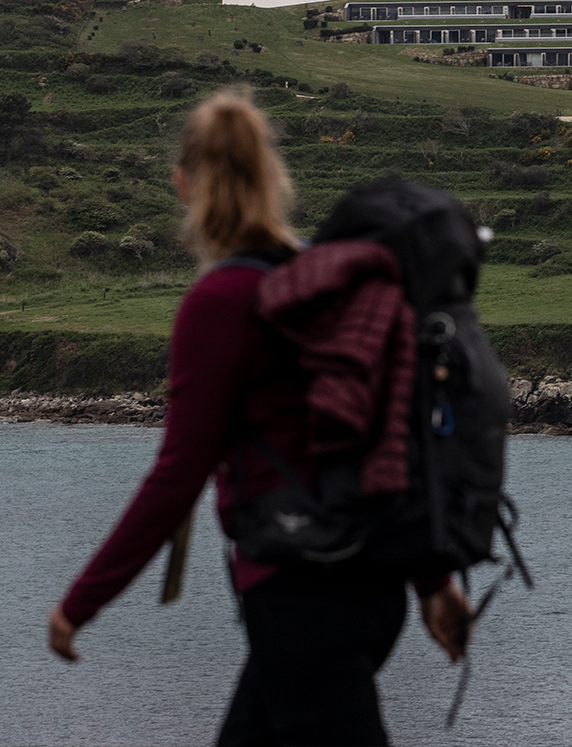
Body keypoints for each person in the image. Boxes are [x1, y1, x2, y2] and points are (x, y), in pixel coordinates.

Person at [47, 88, 471, 746]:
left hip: (298, 592)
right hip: (374, 584)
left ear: (183, 184)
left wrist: (81, 603)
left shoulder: (219, 303)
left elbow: (178, 475)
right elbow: (387, 434)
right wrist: (433, 583)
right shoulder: (323, 278)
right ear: (275, 180)